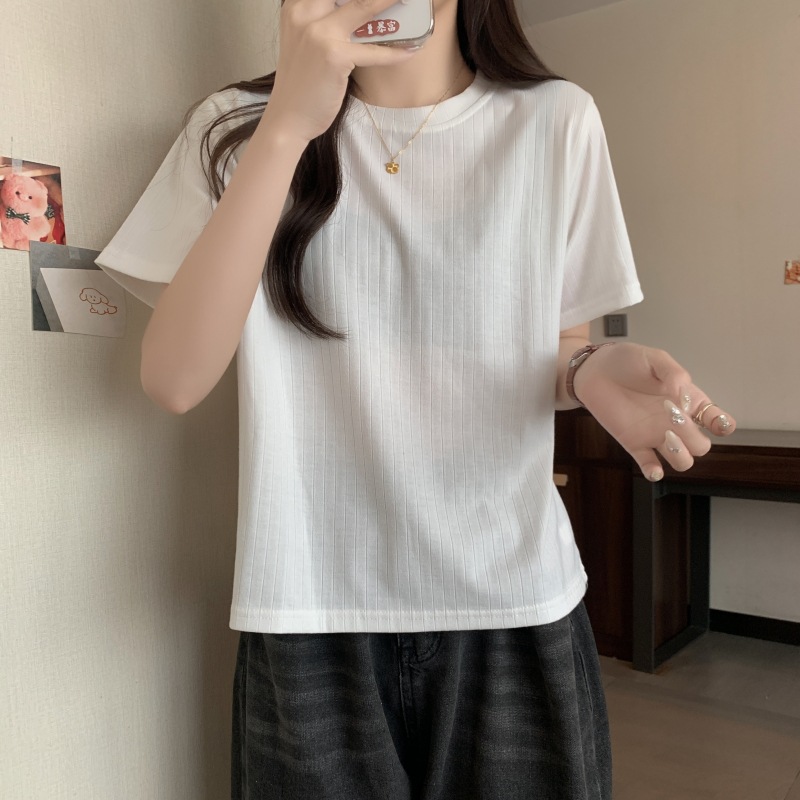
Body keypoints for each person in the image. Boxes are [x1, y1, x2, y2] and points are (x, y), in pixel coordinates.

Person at [96, 0, 736, 797]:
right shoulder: (232, 127)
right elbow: (174, 379)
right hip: (310, 605)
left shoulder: (556, 120)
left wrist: (589, 367)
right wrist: (288, 124)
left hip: (511, 599)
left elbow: (554, 348)